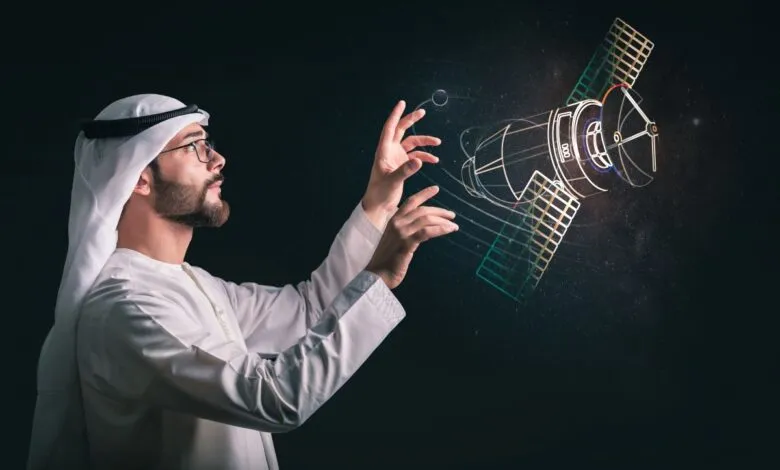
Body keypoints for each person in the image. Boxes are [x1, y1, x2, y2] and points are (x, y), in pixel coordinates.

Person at [27, 93, 458, 470]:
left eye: (208, 144)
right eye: (194, 147)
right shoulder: (127, 309)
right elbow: (274, 398)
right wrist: (380, 275)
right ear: (139, 177)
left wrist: (378, 203)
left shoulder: (197, 286)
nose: (217, 159)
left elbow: (310, 311)